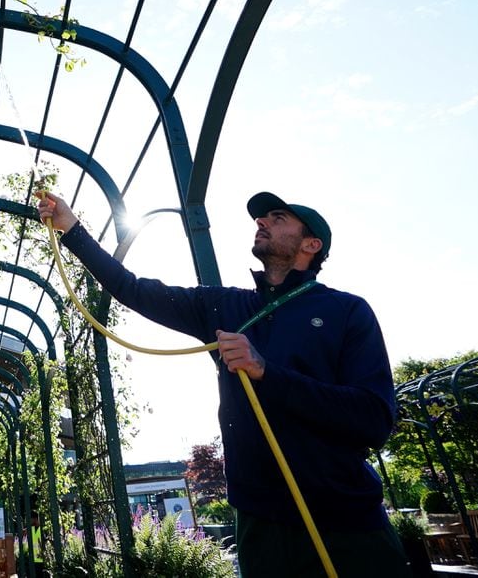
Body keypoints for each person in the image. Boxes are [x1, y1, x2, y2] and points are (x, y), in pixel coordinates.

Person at [36, 190, 410, 578]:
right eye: (262, 218)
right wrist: (71, 228)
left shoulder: (347, 311)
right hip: (260, 522)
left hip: (346, 520)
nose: (261, 222)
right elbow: (132, 288)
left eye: (278, 218)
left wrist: (267, 371)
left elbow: (374, 419)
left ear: (311, 244)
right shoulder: (226, 307)